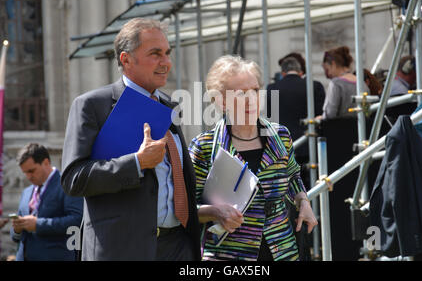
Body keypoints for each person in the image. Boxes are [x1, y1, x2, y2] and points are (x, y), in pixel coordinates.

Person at [61, 18, 201, 261]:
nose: (166, 62)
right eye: (155, 54)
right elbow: (73, 179)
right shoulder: (92, 105)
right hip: (122, 250)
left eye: (167, 53)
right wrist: (136, 162)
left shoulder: (168, 106)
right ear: (126, 59)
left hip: (178, 248)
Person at [189, 55, 318, 261]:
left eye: (255, 91)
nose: (252, 99)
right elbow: (186, 209)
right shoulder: (204, 146)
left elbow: (294, 177)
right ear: (221, 101)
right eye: (241, 93)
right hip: (229, 253)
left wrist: (303, 202)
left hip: (281, 249)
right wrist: (216, 212)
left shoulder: (280, 136)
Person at [10, 143, 83, 261]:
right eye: (25, 173)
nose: (28, 177)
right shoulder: (26, 192)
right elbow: (15, 237)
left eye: (31, 171)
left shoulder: (67, 185)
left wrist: (38, 224)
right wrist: (17, 229)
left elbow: (77, 221)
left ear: (46, 162)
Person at [267, 52, 325, 163]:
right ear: (301, 72)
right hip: (309, 145)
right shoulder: (314, 86)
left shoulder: (272, 88)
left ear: (283, 73)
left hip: (282, 146)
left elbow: (272, 121)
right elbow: (320, 116)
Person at [320, 46, 369, 119]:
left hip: (339, 128)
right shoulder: (362, 84)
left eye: (327, 69)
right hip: (359, 128)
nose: (328, 74)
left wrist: (321, 118)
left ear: (333, 64)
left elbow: (330, 113)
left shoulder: (336, 84)